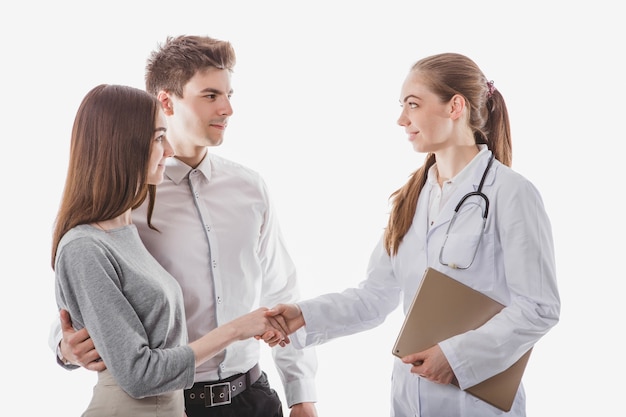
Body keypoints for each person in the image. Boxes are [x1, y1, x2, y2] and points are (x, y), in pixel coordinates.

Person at [266, 52, 561, 417]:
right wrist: (304, 315)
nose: (402, 119)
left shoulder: (511, 192)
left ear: (455, 107)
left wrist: (455, 358)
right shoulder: (411, 197)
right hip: (410, 397)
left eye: (413, 105)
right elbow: (375, 296)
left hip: (476, 405)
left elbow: (539, 308)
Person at [49, 36, 318, 417]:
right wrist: (64, 349)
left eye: (228, 94)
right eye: (210, 95)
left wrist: (301, 394)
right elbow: (89, 298)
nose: (227, 108)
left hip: (252, 396)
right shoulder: (125, 204)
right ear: (166, 101)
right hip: (172, 401)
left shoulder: (250, 188)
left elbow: (282, 290)